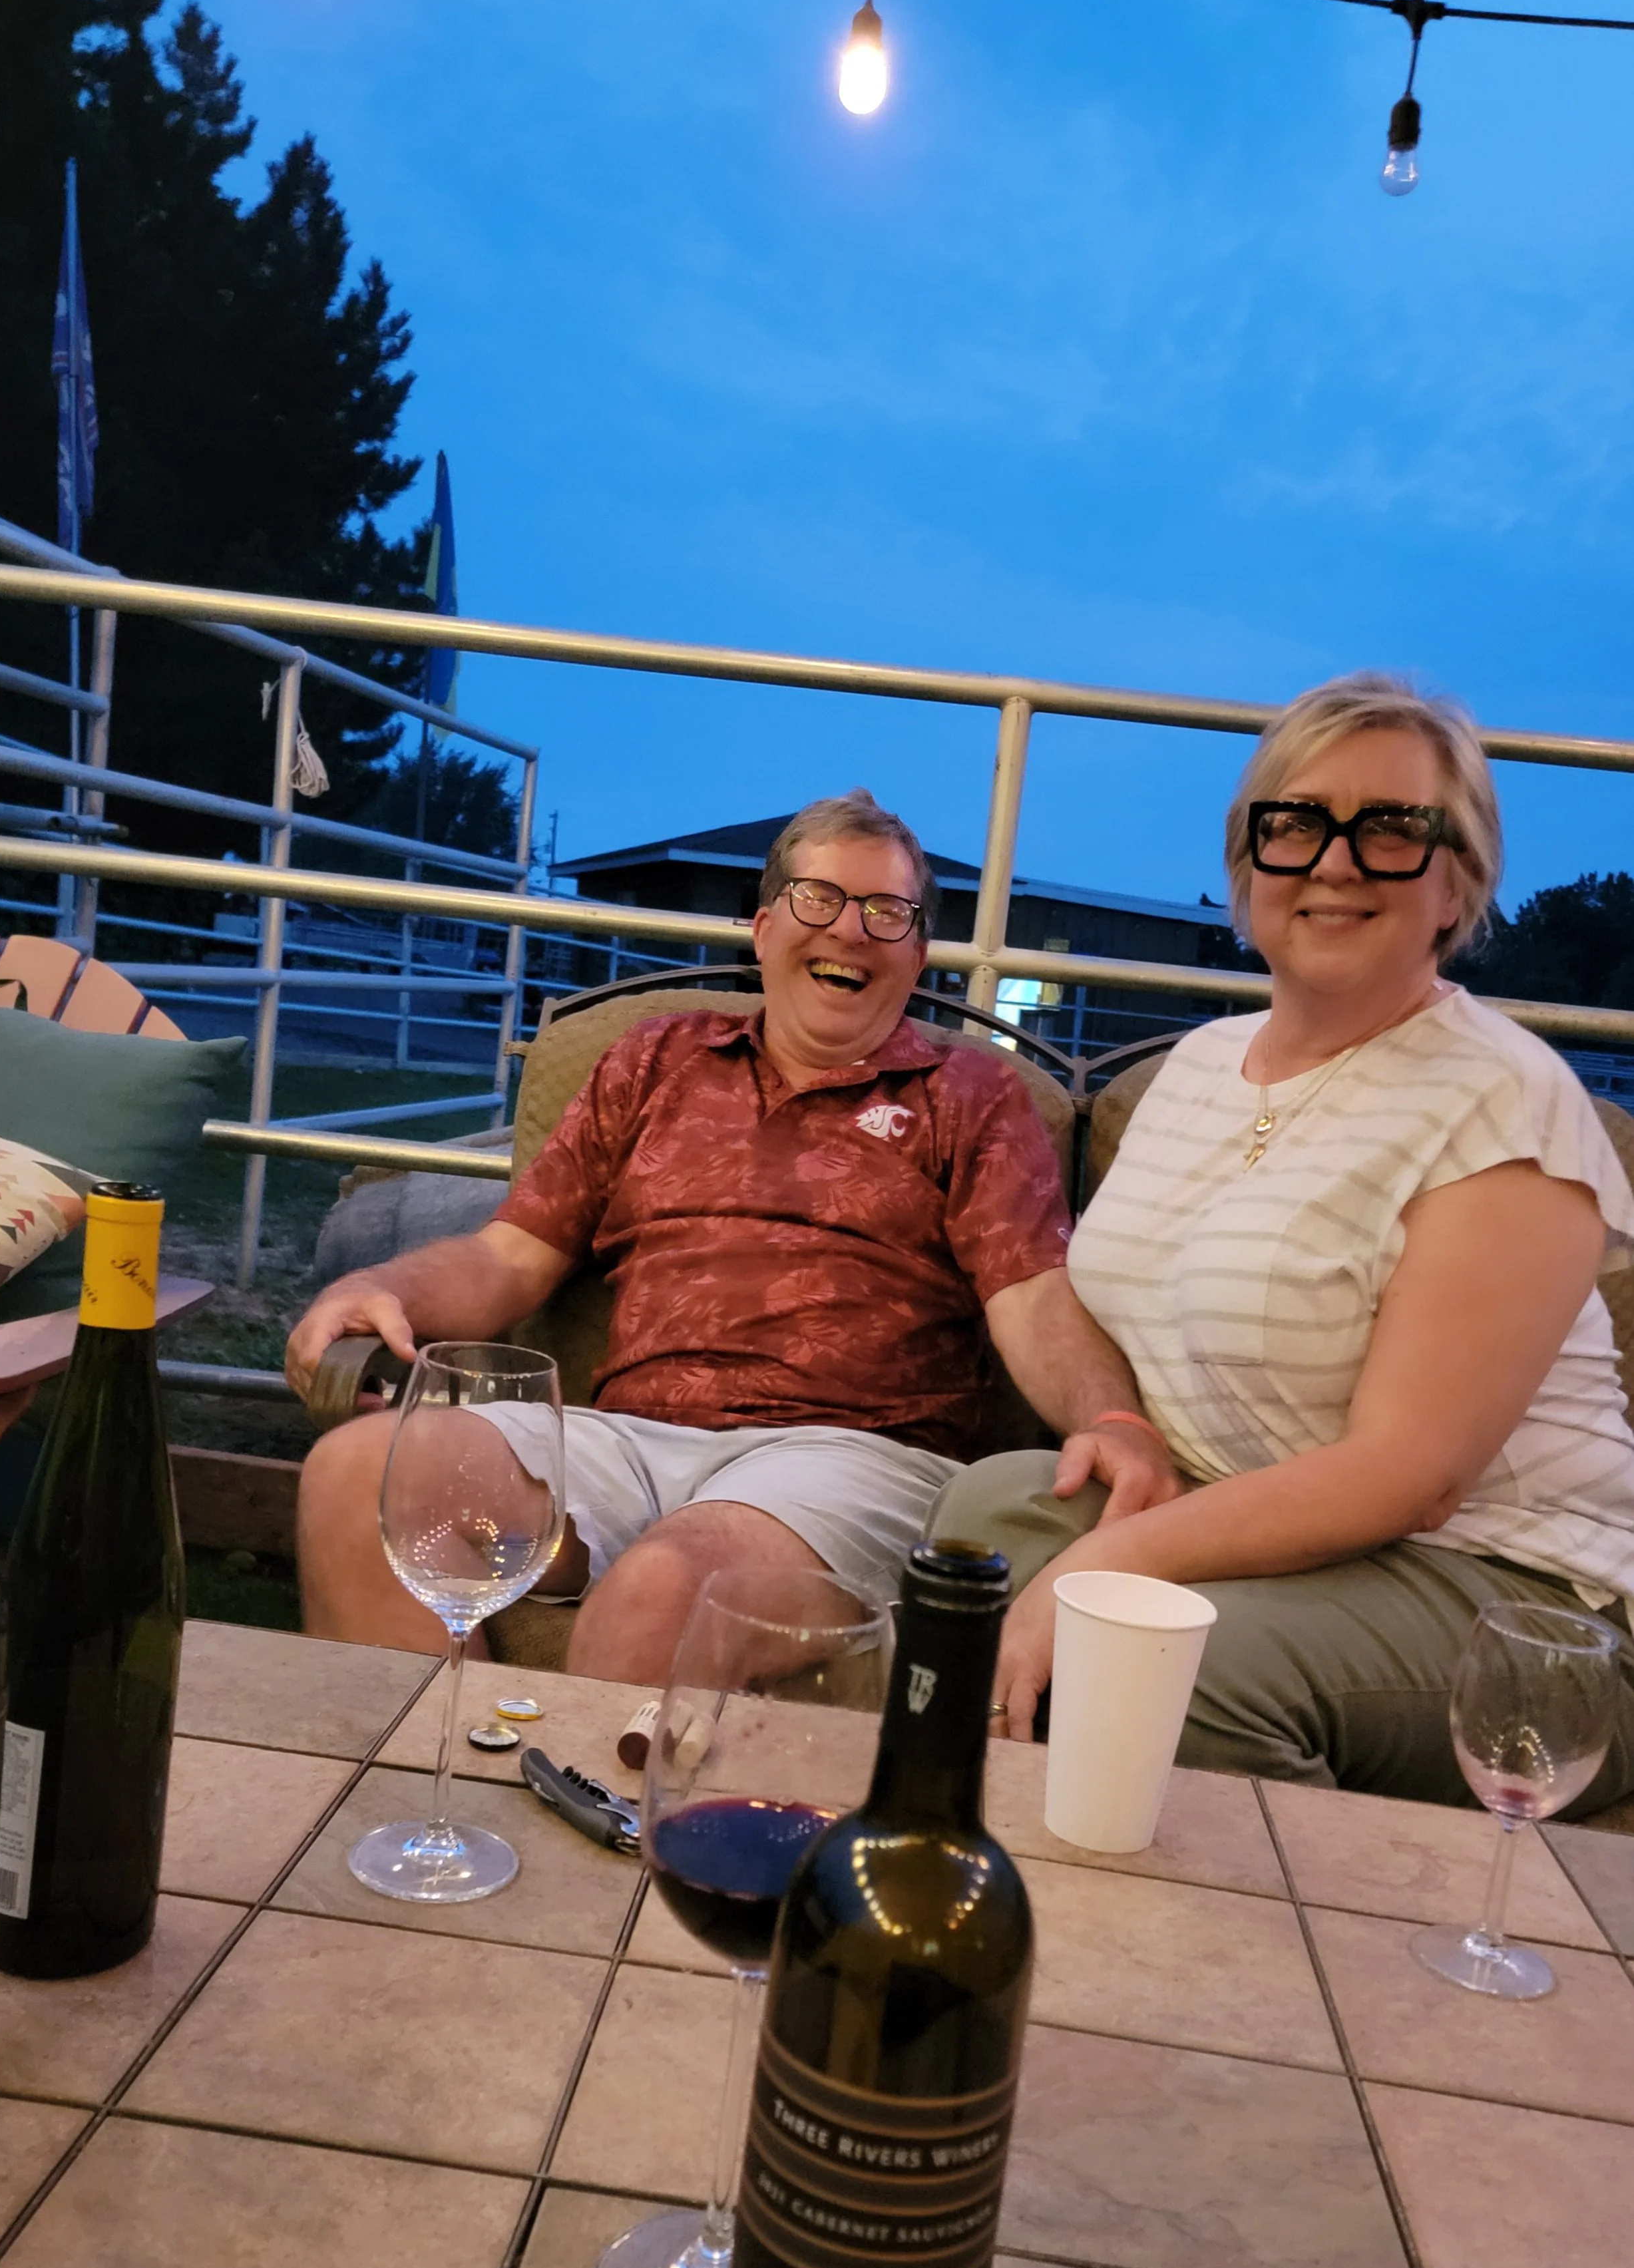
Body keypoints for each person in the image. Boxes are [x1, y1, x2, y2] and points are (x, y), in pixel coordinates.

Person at [288, 790, 1182, 1680]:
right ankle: (424, 1806)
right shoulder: (655, 1060)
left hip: (845, 1458)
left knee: (664, 1593)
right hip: (621, 1441)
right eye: (818, 898)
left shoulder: (973, 1097)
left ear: (918, 958)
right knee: (356, 1481)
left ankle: (593, 1813)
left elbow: (1030, 1294)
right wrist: (386, 1289)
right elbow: (508, 1255)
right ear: (762, 927)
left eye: (887, 913)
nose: (850, 930)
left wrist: (1111, 1419)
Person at [935, 673, 1634, 1809]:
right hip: (1272, 1524)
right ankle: (993, 1859)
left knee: (1181, 1667)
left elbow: (1409, 1478)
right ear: (1245, 862)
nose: (1335, 861)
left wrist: (1108, 1559)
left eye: (1394, 830)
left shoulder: (1506, 1106)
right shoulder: (1200, 1069)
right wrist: (1119, 1436)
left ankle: (1254, 1962)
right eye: (1296, 824)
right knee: (979, 1524)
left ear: (1459, 883)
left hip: (1512, 1589)